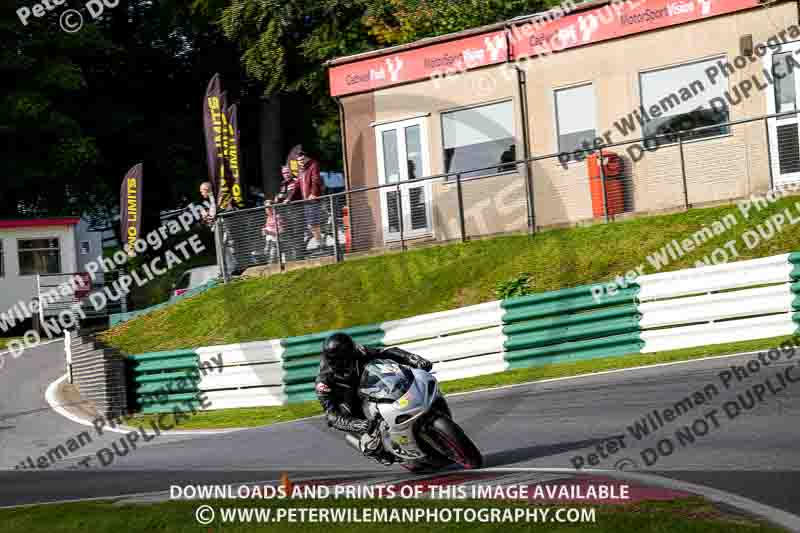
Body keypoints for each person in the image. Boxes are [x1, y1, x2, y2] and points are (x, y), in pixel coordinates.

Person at [315, 332, 434, 465]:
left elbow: (386, 352)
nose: (353, 356)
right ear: (336, 361)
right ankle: (379, 449)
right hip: (348, 403)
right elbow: (331, 416)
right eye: (347, 356)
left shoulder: (358, 351)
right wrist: (357, 424)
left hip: (367, 386)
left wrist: (414, 359)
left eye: (352, 352)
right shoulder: (324, 381)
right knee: (372, 444)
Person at [294, 146, 324, 252]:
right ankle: (320, 242)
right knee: (311, 224)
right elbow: (297, 185)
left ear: (306, 158)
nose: (301, 162)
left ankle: (320, 244)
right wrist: (288, 198)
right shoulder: (300, 170)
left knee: (313, 223)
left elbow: (315, 179)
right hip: (305, 201)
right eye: (299, 161)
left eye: (302, 159)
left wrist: (313, 193)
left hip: (312, 199)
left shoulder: (313, 165)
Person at [262, 199, 283, 264]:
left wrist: (269, 232)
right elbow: (268, 229)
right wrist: (264, 231)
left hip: (275, 242)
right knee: (267, 254)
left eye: (268, 207)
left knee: (272, 258)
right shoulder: (268, 218)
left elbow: (281, 231)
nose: (267, 209)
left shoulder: (277, 217)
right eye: (266, 208)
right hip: (268, 241)